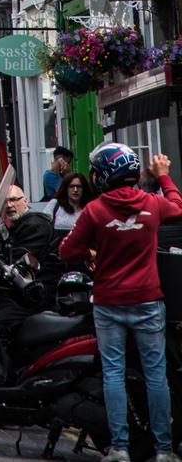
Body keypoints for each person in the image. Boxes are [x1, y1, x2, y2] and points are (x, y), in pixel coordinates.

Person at [59, 144, 182, 462]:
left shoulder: (95, 210)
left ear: (102, 177)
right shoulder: (152, 204)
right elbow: (177, 207)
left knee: (113, 374)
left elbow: (67, 251)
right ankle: (164, 450)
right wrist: (165, 177)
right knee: (156, 375)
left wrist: (90, 253)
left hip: (109, 302)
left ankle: (120, 448)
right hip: (148, 300)